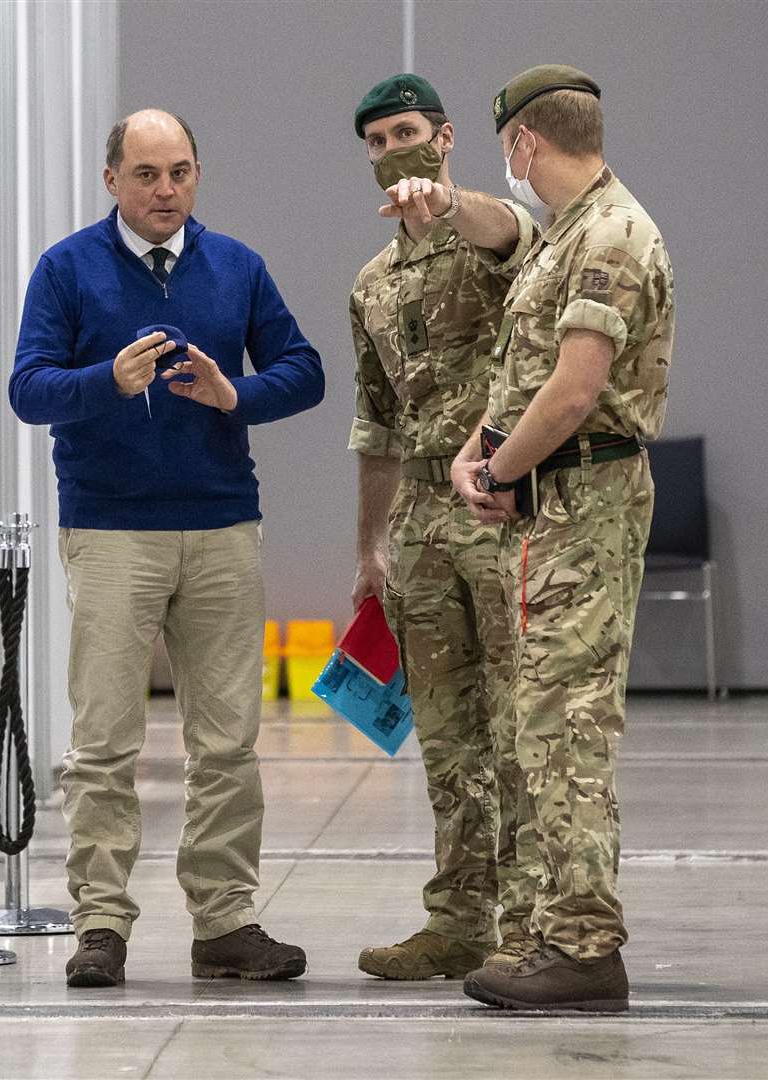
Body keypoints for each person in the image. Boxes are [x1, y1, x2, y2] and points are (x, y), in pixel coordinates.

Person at [8, 108, 324, 989]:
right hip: (111, 529)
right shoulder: (67, 270)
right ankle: (100, 923)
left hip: (222, 525)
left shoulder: (236, 268)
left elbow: (305, 370)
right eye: (146, 174)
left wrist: (236, 395)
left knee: (227, 742)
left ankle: (223, 921)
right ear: (111, 179)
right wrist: (105, 381)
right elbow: (28, 390)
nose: (165, 191)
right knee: (103, 741)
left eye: (180, 172)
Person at [450, 65, 676, 1012]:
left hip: (587, 504)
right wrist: (480, 450)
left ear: (523, 143)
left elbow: (577, 389)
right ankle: (551, 929)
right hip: (551, 505)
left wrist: (500, 471)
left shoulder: (612, 236)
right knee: (539, 721)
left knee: (567, 726)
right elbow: (525, 373)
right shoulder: (564, 238)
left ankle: (584, 945)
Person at [344, 74, 541, 982]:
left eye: (408, 133)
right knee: (447, 733)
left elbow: (510, 230)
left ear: (448, 135)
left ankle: (533, 924)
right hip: (419, 521)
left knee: (519, 721)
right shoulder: (372, 285)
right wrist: (366, 546)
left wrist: (447, 200)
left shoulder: (496, 238)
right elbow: (375, 426)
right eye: (379, 141)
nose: (394, 152)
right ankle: (458, 916)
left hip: (500, 509)